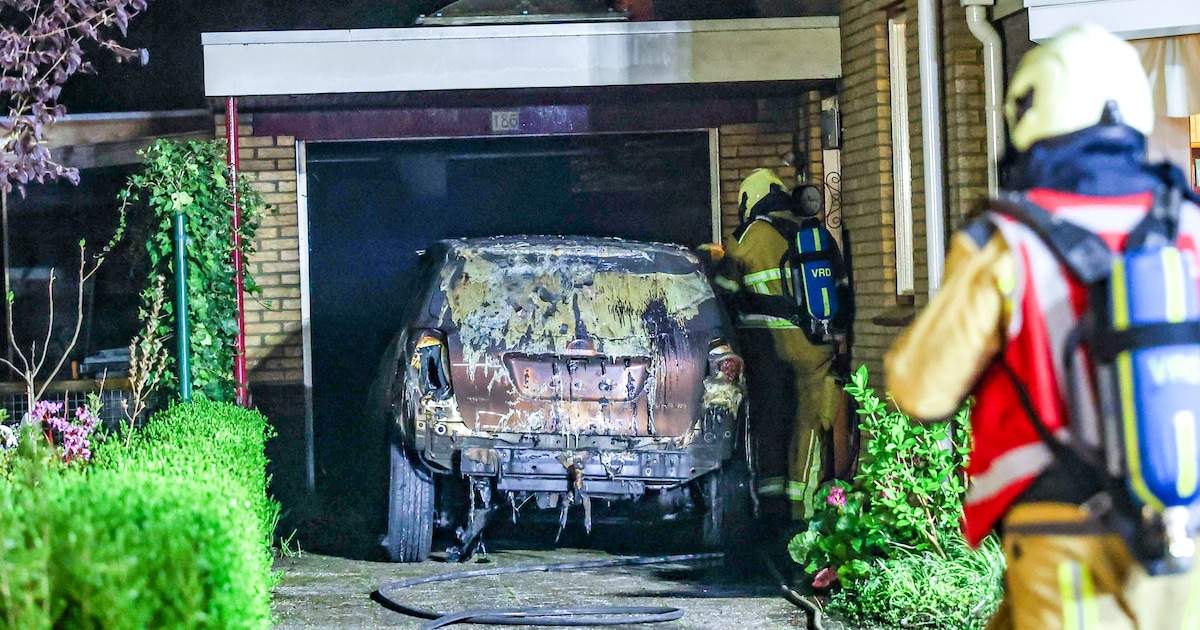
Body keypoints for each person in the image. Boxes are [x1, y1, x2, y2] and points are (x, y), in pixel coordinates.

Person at [885, 24, 1200, 629]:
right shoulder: (1188, 226)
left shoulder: (1008, 242)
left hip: (1061, 533)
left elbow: (920, 390)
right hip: (1183, 534)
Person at [713, 168, 844, 522]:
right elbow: (842, 290)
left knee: (770, 426)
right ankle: (805, 513)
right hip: (815, 349)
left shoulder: (749, 237)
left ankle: (771, 512)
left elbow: (722, 293)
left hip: (769, 352)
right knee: (811, 427)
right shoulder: (815, 236)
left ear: (749, 201)